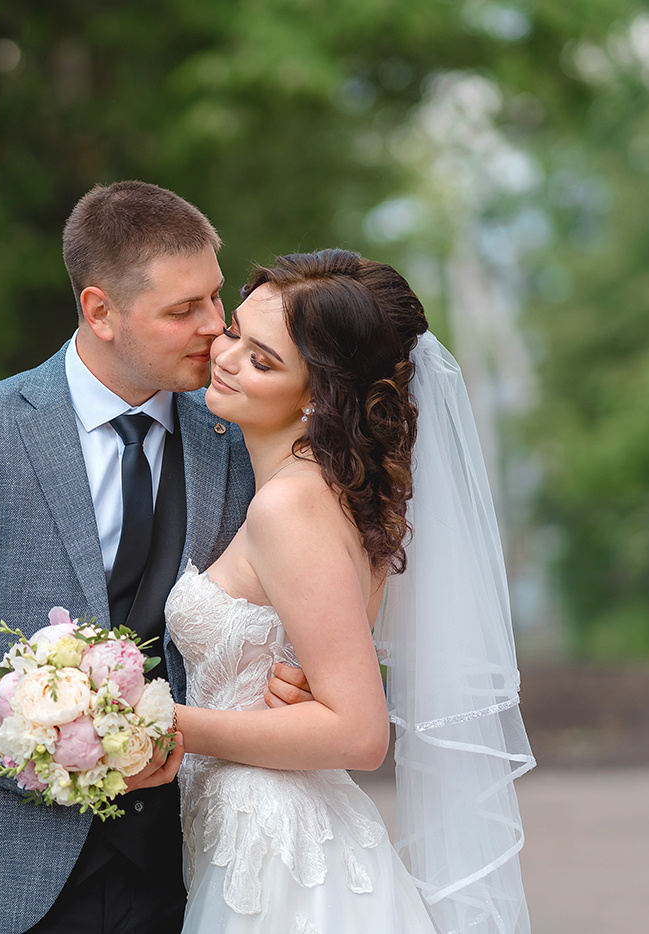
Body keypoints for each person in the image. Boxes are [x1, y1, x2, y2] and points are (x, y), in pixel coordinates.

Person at [0, 180, 309, 934]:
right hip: (0, 878)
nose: (215, 329)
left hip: (190, 871)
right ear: (100, 311)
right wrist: (51, 755)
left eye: (216, 299)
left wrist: (293, 674)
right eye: (183, 310)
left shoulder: (237, 437)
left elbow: (284, 599)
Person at [166, 249, 534, 933]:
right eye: (237, 332)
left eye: (262, 360)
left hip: (280, 854)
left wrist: (163, 726)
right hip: (253, 828)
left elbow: (360, 733)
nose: (225, 356)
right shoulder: (327, 492)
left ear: (317, 395)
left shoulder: (290, 509)